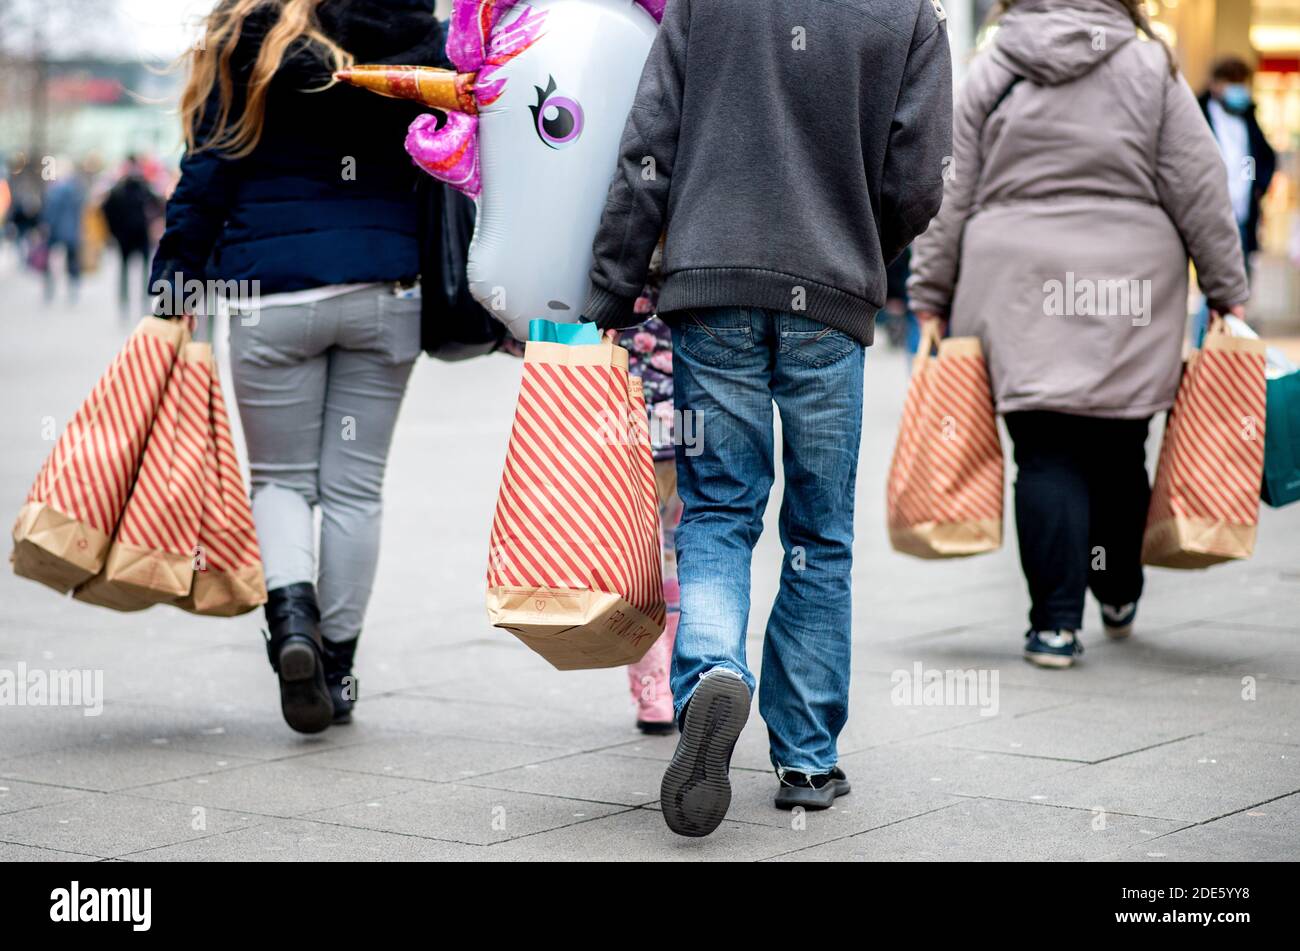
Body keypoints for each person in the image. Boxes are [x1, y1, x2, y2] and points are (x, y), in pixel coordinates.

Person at [584, 0, 952, 836]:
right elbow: (921, 179)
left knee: (717, 506)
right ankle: (808, 757)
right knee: (821, 530)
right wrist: (858, 245)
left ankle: (714, 668)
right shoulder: (910, 17)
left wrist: (612, 279)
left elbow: (650, 143)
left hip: (713, 285)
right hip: (830, 294)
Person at [909, 0, 1249, 669]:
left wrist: (928, 292)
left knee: (1044, 450)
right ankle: (1118, 587)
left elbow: (952, 189)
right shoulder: (1150, 63)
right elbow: (1199, 182)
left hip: (1017, 285)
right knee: (1122, 444)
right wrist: (1226, 287)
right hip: (1130, 287)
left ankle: (1055, 626)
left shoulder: (995, 64)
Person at [151, 0, 452, 734]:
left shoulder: (248, 38)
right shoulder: (416, 40)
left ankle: (292, 626)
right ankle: (338, 665)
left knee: (282, 480)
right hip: (385, 292)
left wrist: (174, 279)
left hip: (271, 297)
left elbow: (208, 172)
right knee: (355, 489)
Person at [1191, 55, 1277, 344]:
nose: (1239, 90)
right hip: (1206, 214)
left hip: (1240, 215)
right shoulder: (1197, 111)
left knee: (1235, 289)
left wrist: (1256, 187)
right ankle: (1203, 350)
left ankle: (1225, 353)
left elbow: (1263, 158)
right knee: (1211, 287)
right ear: (1216, 84)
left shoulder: (1248, 119)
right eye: (1233, 83)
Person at [102, 155, 163, 319]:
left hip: (140, 236)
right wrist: (114, 232)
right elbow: (107, 210)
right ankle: (124, 302)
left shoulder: (144, 187)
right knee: (125, 270)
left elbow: (159, 204)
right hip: (125, 237)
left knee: (143, 270)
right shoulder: (118, 189)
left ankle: (142, 300)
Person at [40, 160, 87, 305]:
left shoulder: (55, 190)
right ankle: (73, 289)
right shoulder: (77, 189)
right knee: (72, 261)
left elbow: (51, 211)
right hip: (72, 229)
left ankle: (49, 288)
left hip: (56, 230)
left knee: (50, 258)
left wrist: (46, 224)